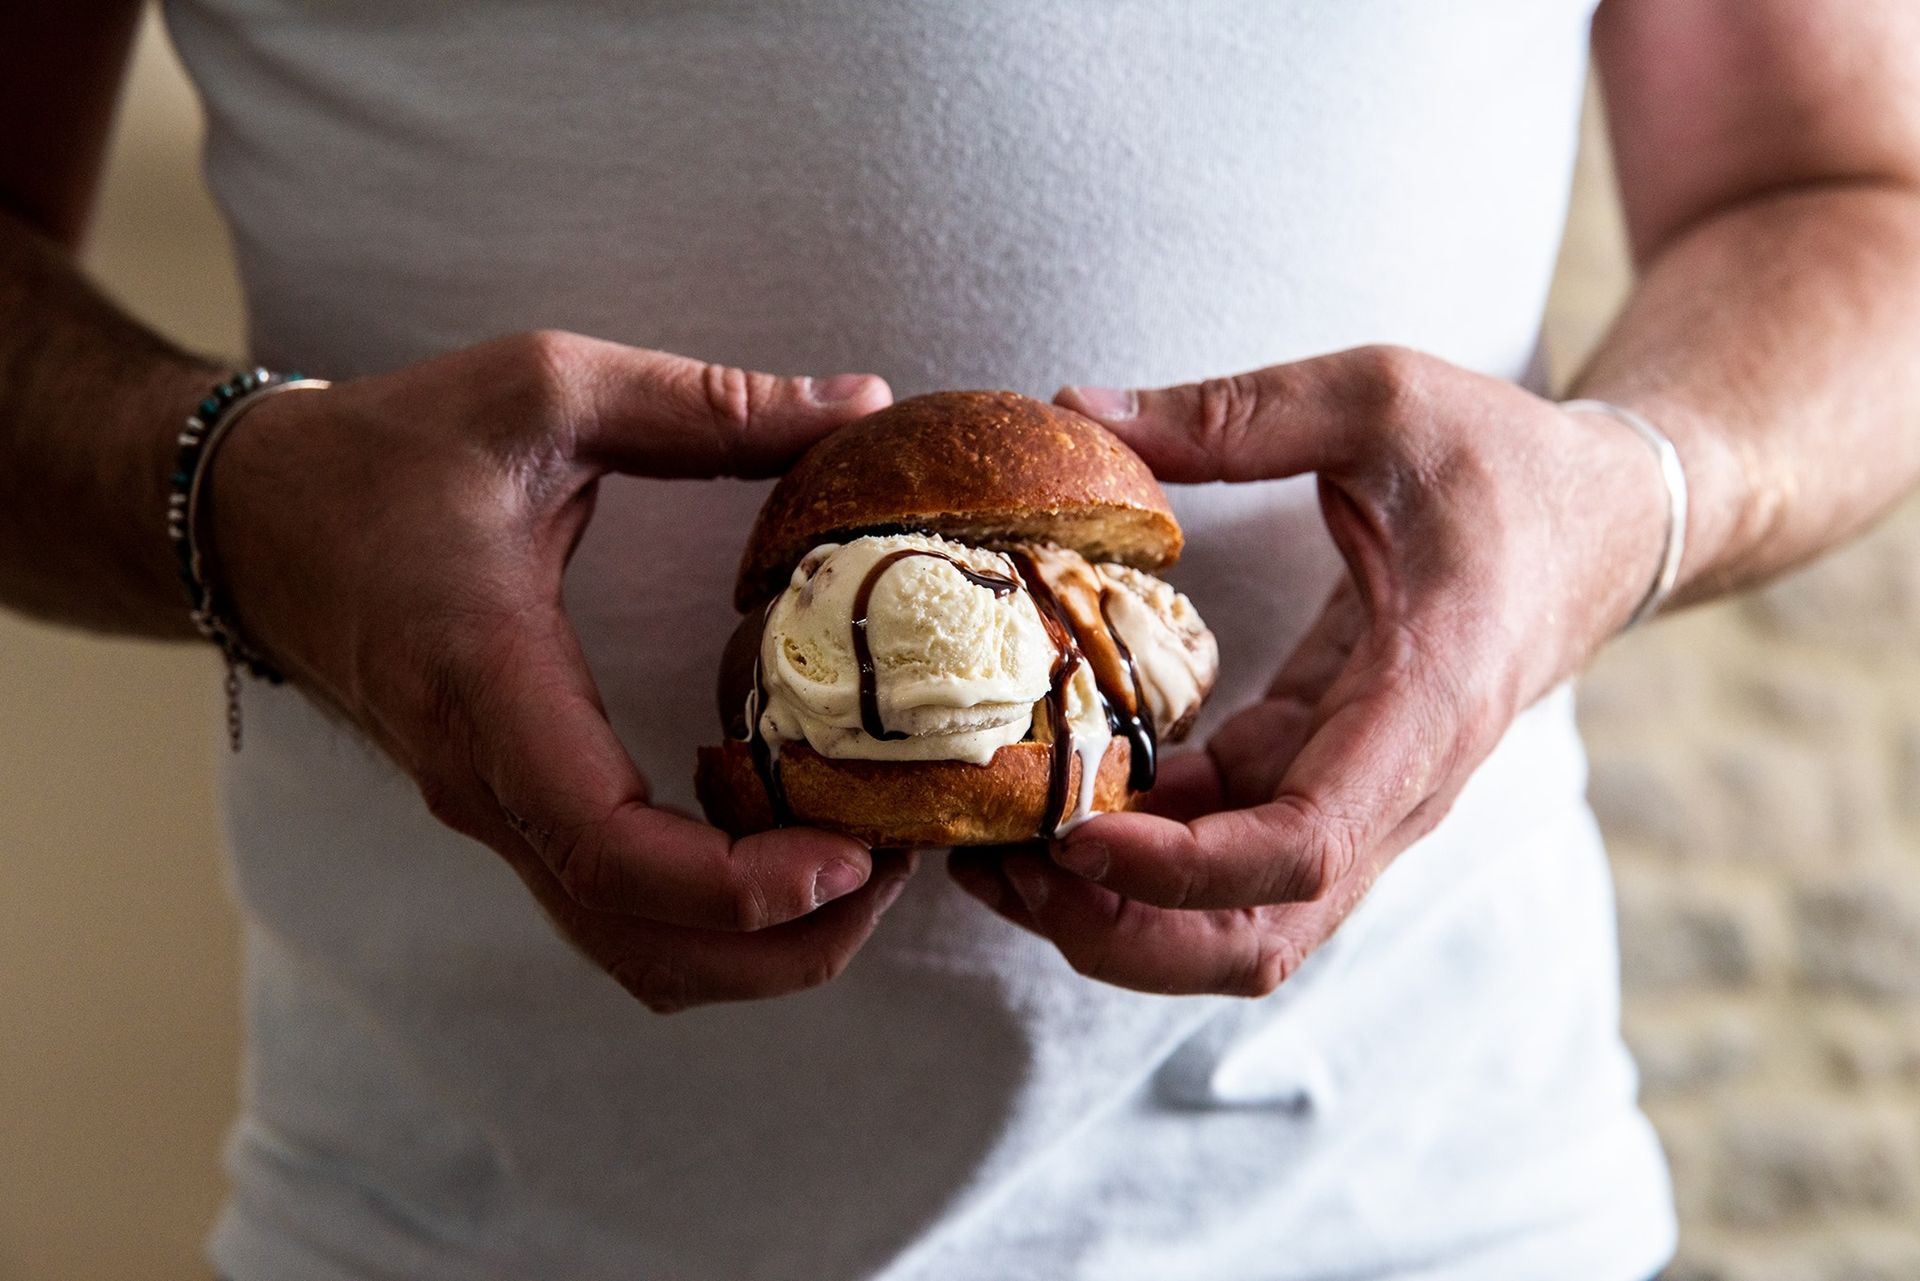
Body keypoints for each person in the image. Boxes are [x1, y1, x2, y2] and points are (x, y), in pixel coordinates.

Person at [7, 0, 1919, 1276]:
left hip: (1421, 1202)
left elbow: (1847, 191)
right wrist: (234, 498)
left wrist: (1629, 489)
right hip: (447, 1223)